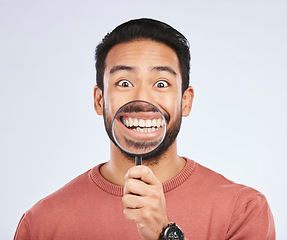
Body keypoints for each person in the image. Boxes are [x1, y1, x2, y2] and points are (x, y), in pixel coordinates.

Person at [14, 18, 275, 240]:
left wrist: (164, 232)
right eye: (124, 82)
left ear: (185, 101)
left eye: (161, 84)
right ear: (99, 100)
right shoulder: (41, 224)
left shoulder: (243, 211)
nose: (143, 99)